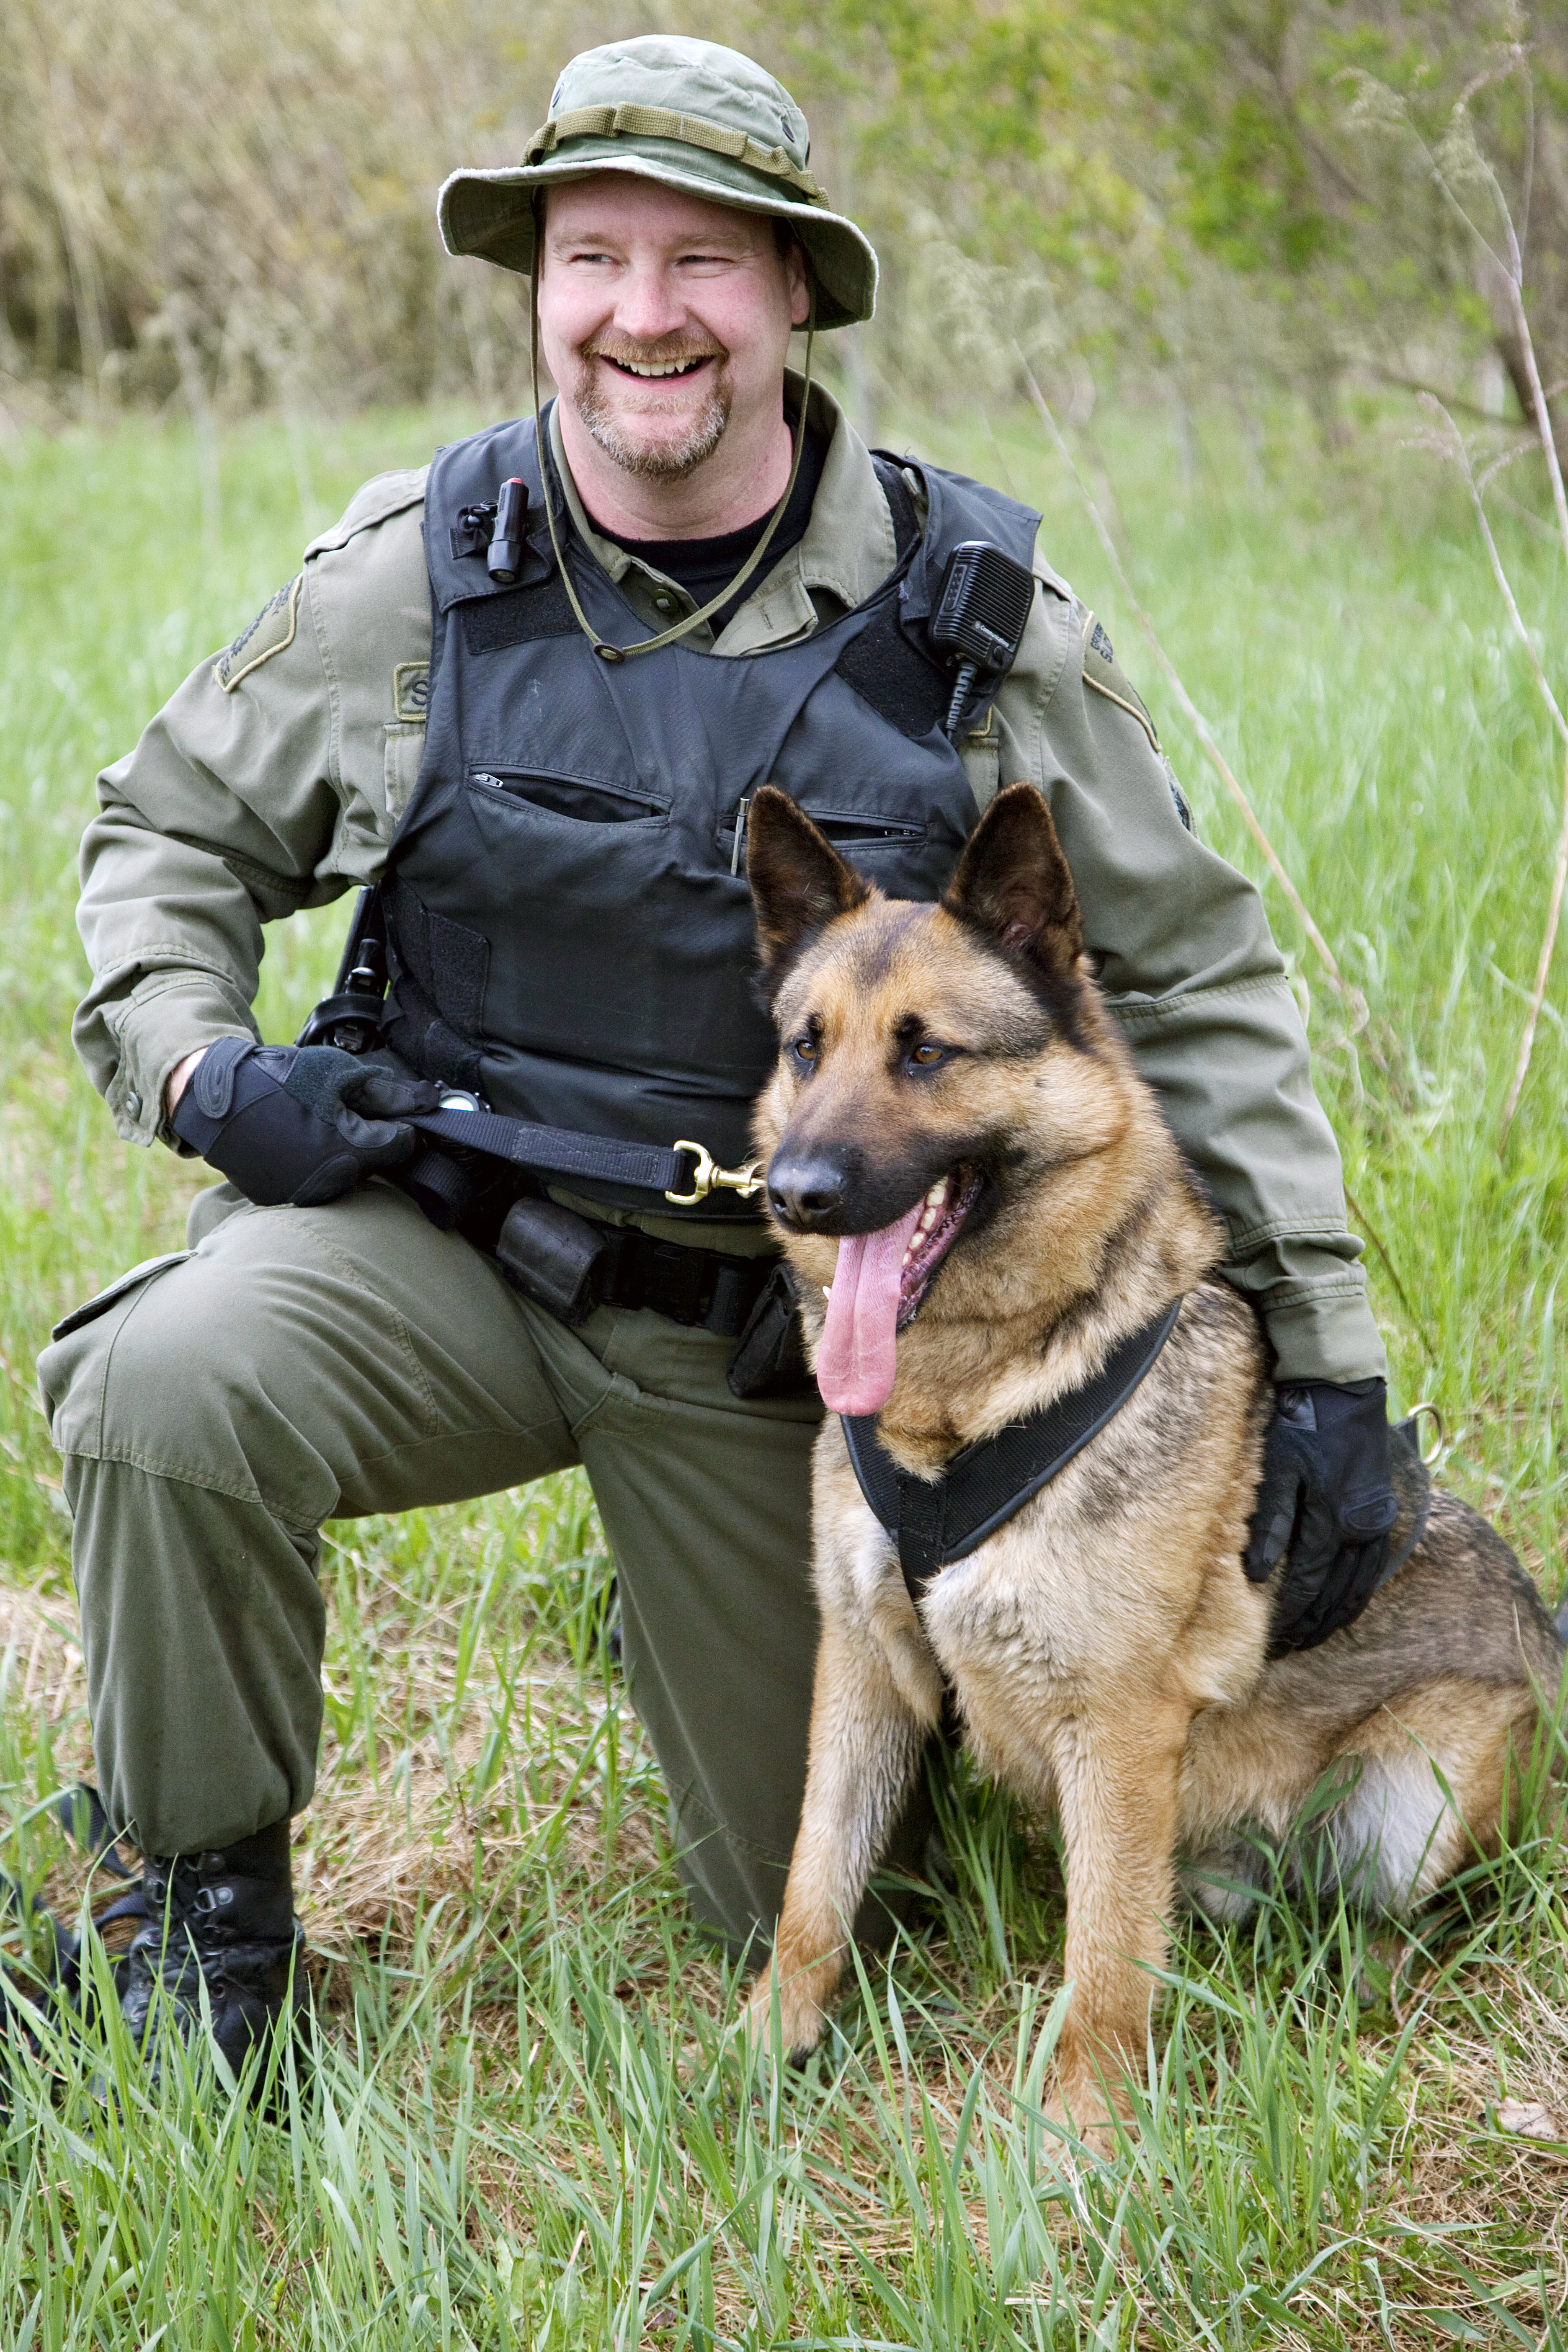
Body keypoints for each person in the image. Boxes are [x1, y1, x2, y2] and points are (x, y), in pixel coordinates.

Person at [36, 33, 1395, 2071]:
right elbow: (164, 840)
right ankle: (205, 1925)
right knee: (160, 1384)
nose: (641, 316)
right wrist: (204, 1072)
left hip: (803, 1351)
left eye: (701, 262)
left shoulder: (974, 627)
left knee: (832, 1886)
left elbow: (1190, 978)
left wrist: (1329, 1350)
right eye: (591, 258)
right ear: (540, 289)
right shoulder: (420, 574)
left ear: (790, 292)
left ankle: (691, 1599)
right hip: (460, 1248)